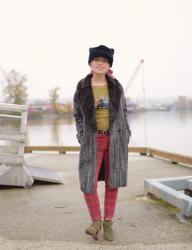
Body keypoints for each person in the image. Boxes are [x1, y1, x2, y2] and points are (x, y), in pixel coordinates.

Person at [73, 45, 131, 241]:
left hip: (115, 139)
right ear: (90, 63)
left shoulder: (116, 86)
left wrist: (126, 135)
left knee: (112, 181)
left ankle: (108, 223)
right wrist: (82, 135)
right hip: (92, 139)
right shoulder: (82, 86)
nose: (100, 63)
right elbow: (77, 115)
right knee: (87, 182)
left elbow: (123, 112)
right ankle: (95, 221)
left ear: (109, 65)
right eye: (97, 60)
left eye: (104, 61)